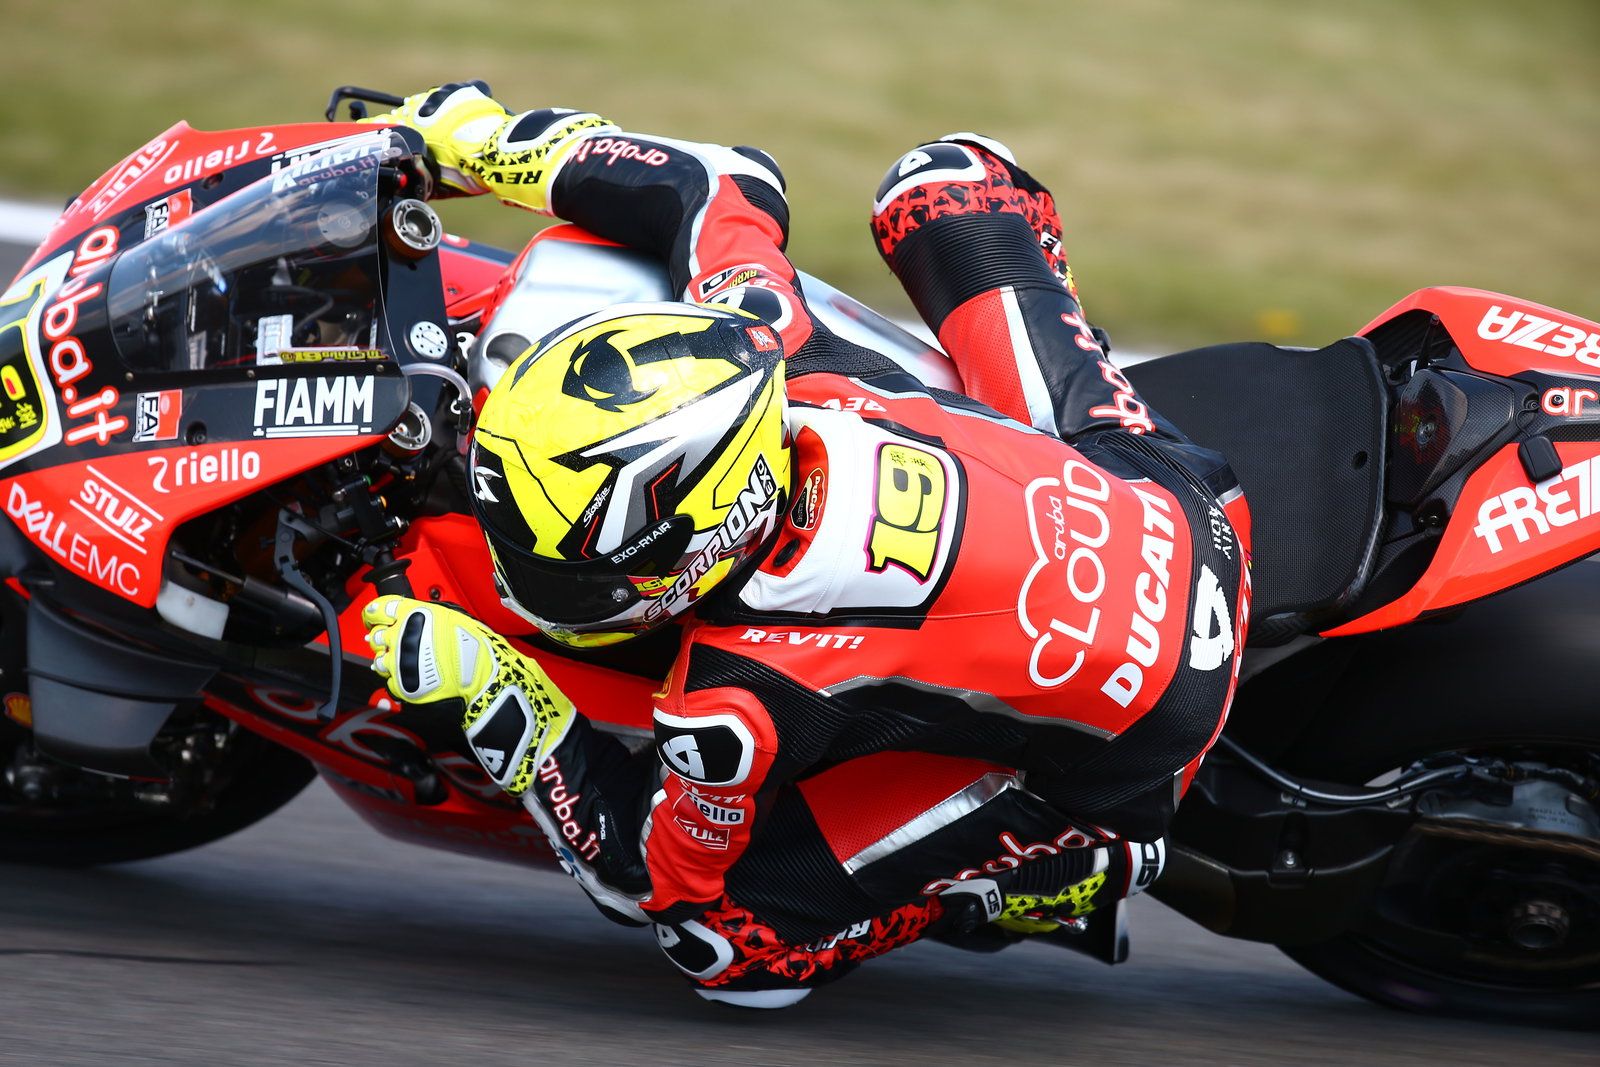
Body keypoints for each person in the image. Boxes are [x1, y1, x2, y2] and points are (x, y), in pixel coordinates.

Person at [360, 84, 1252, 1007]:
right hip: (1181, 497)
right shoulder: (771, 339)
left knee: (725, 953)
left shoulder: (734, 704)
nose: (534, 575)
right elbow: (722, 183)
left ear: (691, 546)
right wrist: (488, 140)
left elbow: (648, 877)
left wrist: (513, 707)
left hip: (1153, 729)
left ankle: (1055, 865)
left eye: (567, 565)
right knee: (944, 184)